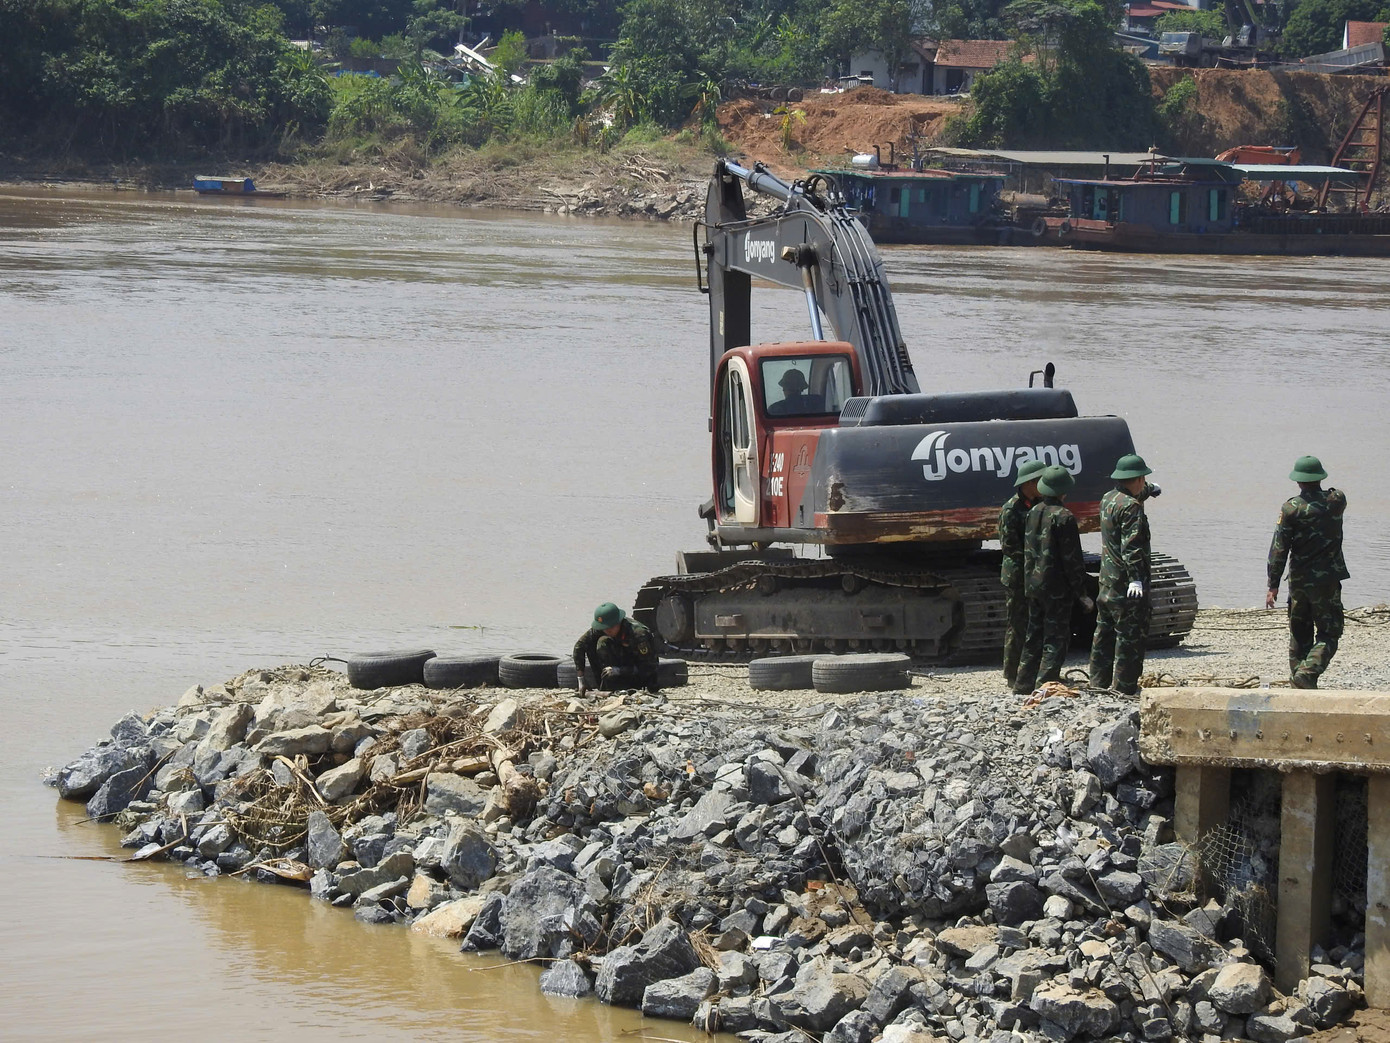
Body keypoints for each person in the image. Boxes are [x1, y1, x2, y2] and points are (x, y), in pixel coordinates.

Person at [1266, 456, 1348, 689]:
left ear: (1298, 481)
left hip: (1299, 582)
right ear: (1320, 478)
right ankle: (1307, 673)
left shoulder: (1291, 509)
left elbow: (1278, 549)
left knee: (1299, 633)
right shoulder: (1336, 501)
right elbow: (1336, 492)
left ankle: (1299, 678)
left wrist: (1273, 585)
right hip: (1327, 581)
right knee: (1329, 632)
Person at [1013, 465, 1094, 695]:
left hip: (1033, 584)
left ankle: (1022, 684)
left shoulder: (1033, 512)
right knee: (1056, 637)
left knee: (1033, 635)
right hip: (1056, 587)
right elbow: (1072, 560)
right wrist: (1082, 593)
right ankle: (1045, 686)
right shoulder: (1064, 517)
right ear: (1063, 491)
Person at [1089, 453, 1160, 696]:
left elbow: (1132, 492)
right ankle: (1125, 687)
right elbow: (1133, 547)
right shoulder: (1131, 508)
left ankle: (1097, 683)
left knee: (1104, 633)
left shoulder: (1108, 499)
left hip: (1106, 581)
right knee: (1130, 636)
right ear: (1138, 478)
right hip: (1125, 583)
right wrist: (1136, 579)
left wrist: (1151, 490)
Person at [999, 458, 1048, 687]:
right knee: (1017, 625)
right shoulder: (1011, 509)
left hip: (1035, 573)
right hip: (1018, 575)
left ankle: (1031, 670)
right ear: (1029, 483)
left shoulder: (1040, 504)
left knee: (1035, 624)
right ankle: (1012, 674)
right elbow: (1010, 547)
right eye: (1039, 481)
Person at [572, 602, 659, 695]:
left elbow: (649, 666)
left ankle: (625, 687)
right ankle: (606, 685)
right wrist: (581, 679)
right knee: (596, 642)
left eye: (610, 628)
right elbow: (579, 646)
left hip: (637, 673)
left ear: (619, 622)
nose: (607, 631)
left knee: (603, 641)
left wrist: (619, 670)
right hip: (616, 667)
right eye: (604, 628)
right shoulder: (602, 628)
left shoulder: (638, 634)